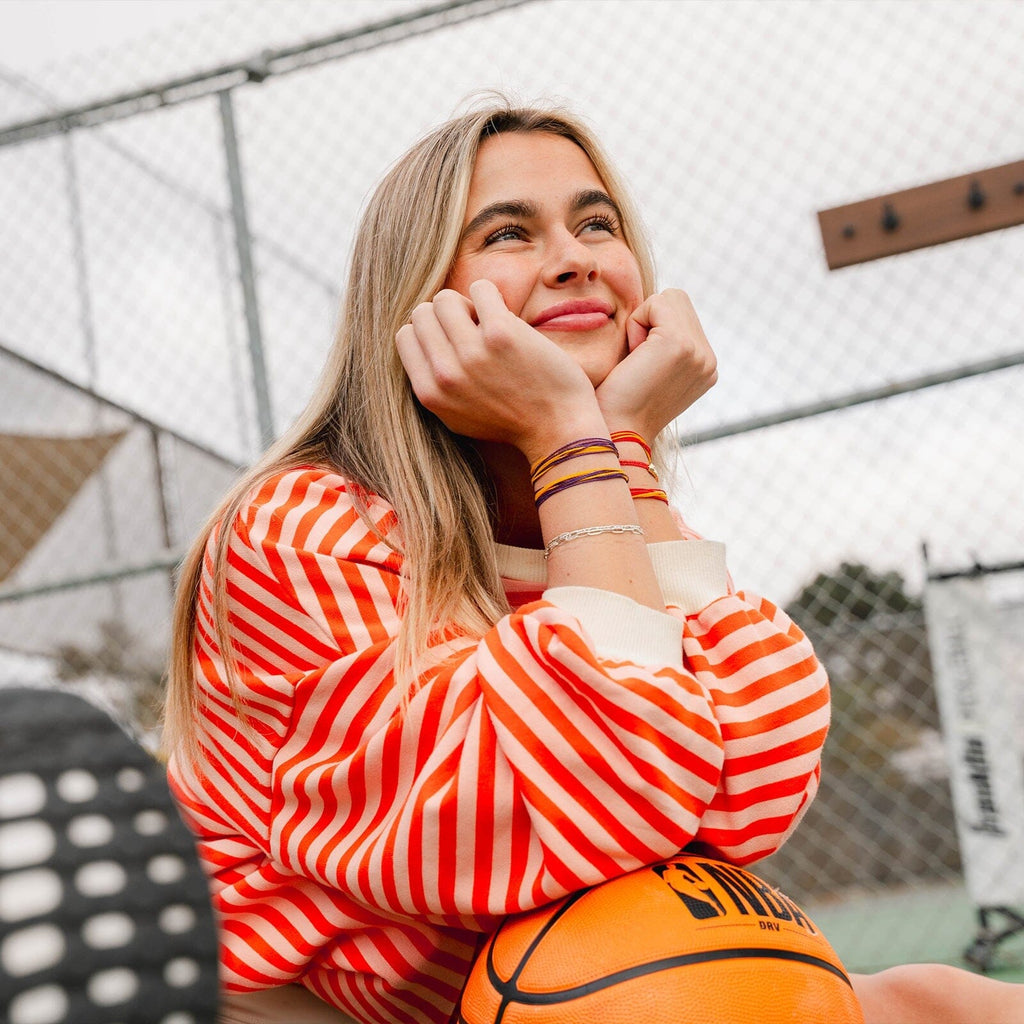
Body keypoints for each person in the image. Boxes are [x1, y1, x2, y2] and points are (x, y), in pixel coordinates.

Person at [162, 98, 834, 1024]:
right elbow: (601, 793)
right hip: (292, 1009)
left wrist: (620, 445)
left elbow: (754, 796)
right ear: (418, 304)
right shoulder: (299, 527)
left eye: (597, 223)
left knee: (949, 1002)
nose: (575, 258)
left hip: (542, 997)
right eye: (509, 233)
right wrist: (567, 430)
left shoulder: (592, 501)